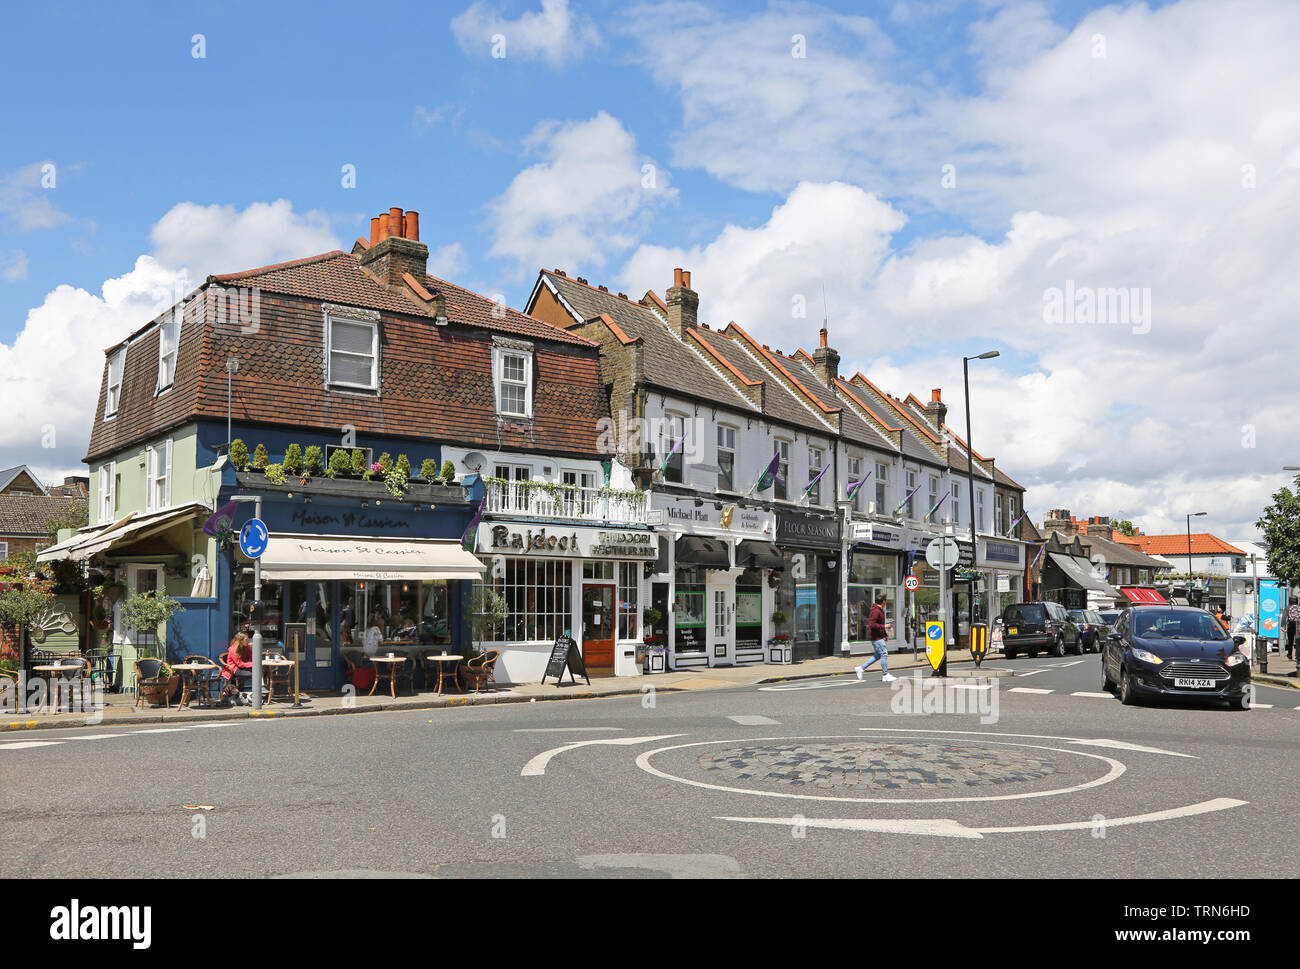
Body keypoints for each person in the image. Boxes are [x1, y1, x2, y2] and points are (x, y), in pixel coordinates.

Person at [855, 592, 897, 683]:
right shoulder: (876, 611)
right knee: (884, 654)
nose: (886, 603)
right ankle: (885, 675)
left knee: (878, 655)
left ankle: (861, 668)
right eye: (886, 601)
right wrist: (885, 627)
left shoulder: (880, 610)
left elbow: (879, 624)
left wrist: (885, 635)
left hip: (878, 636)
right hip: (876, 637)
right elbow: (872, 625)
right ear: (883, 602)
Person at [219, 632, 253, 705]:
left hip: (243, 668)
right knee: (253, 674)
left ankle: (238, 692)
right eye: (246, 640)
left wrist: (249, 649)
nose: (248, 641)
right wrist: (253, 664)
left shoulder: (245, 647)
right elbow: (240, 664)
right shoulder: (233, 649)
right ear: (240, 640)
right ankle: (238, 691)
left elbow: (251, 658)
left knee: (259, 672)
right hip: (235, 669)